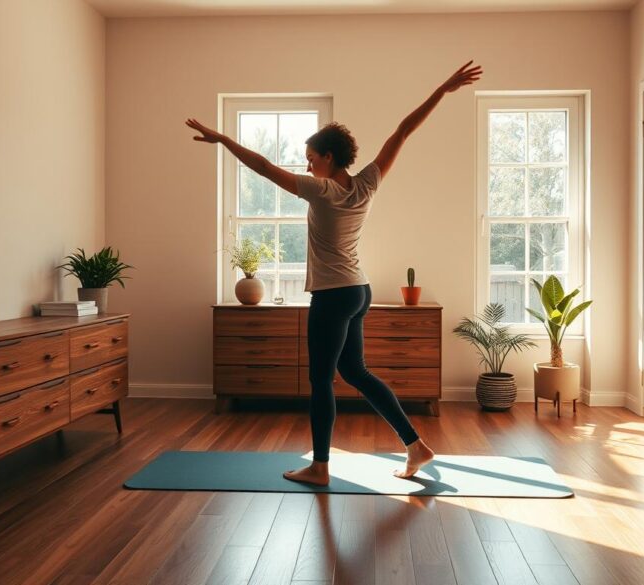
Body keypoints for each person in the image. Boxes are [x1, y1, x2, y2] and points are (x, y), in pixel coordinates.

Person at [187, 60, 484, 485]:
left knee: (321, 380)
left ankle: (321, 467)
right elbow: (402, 132)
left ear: (328, 157)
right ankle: (416, 446)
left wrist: (223, 139)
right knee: (355, 373)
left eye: (311, 159)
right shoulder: (366, 184)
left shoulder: (321, 190)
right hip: (357, 291)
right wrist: (443, 89)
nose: (307, 166)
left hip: (332, 295)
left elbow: (263, 168)